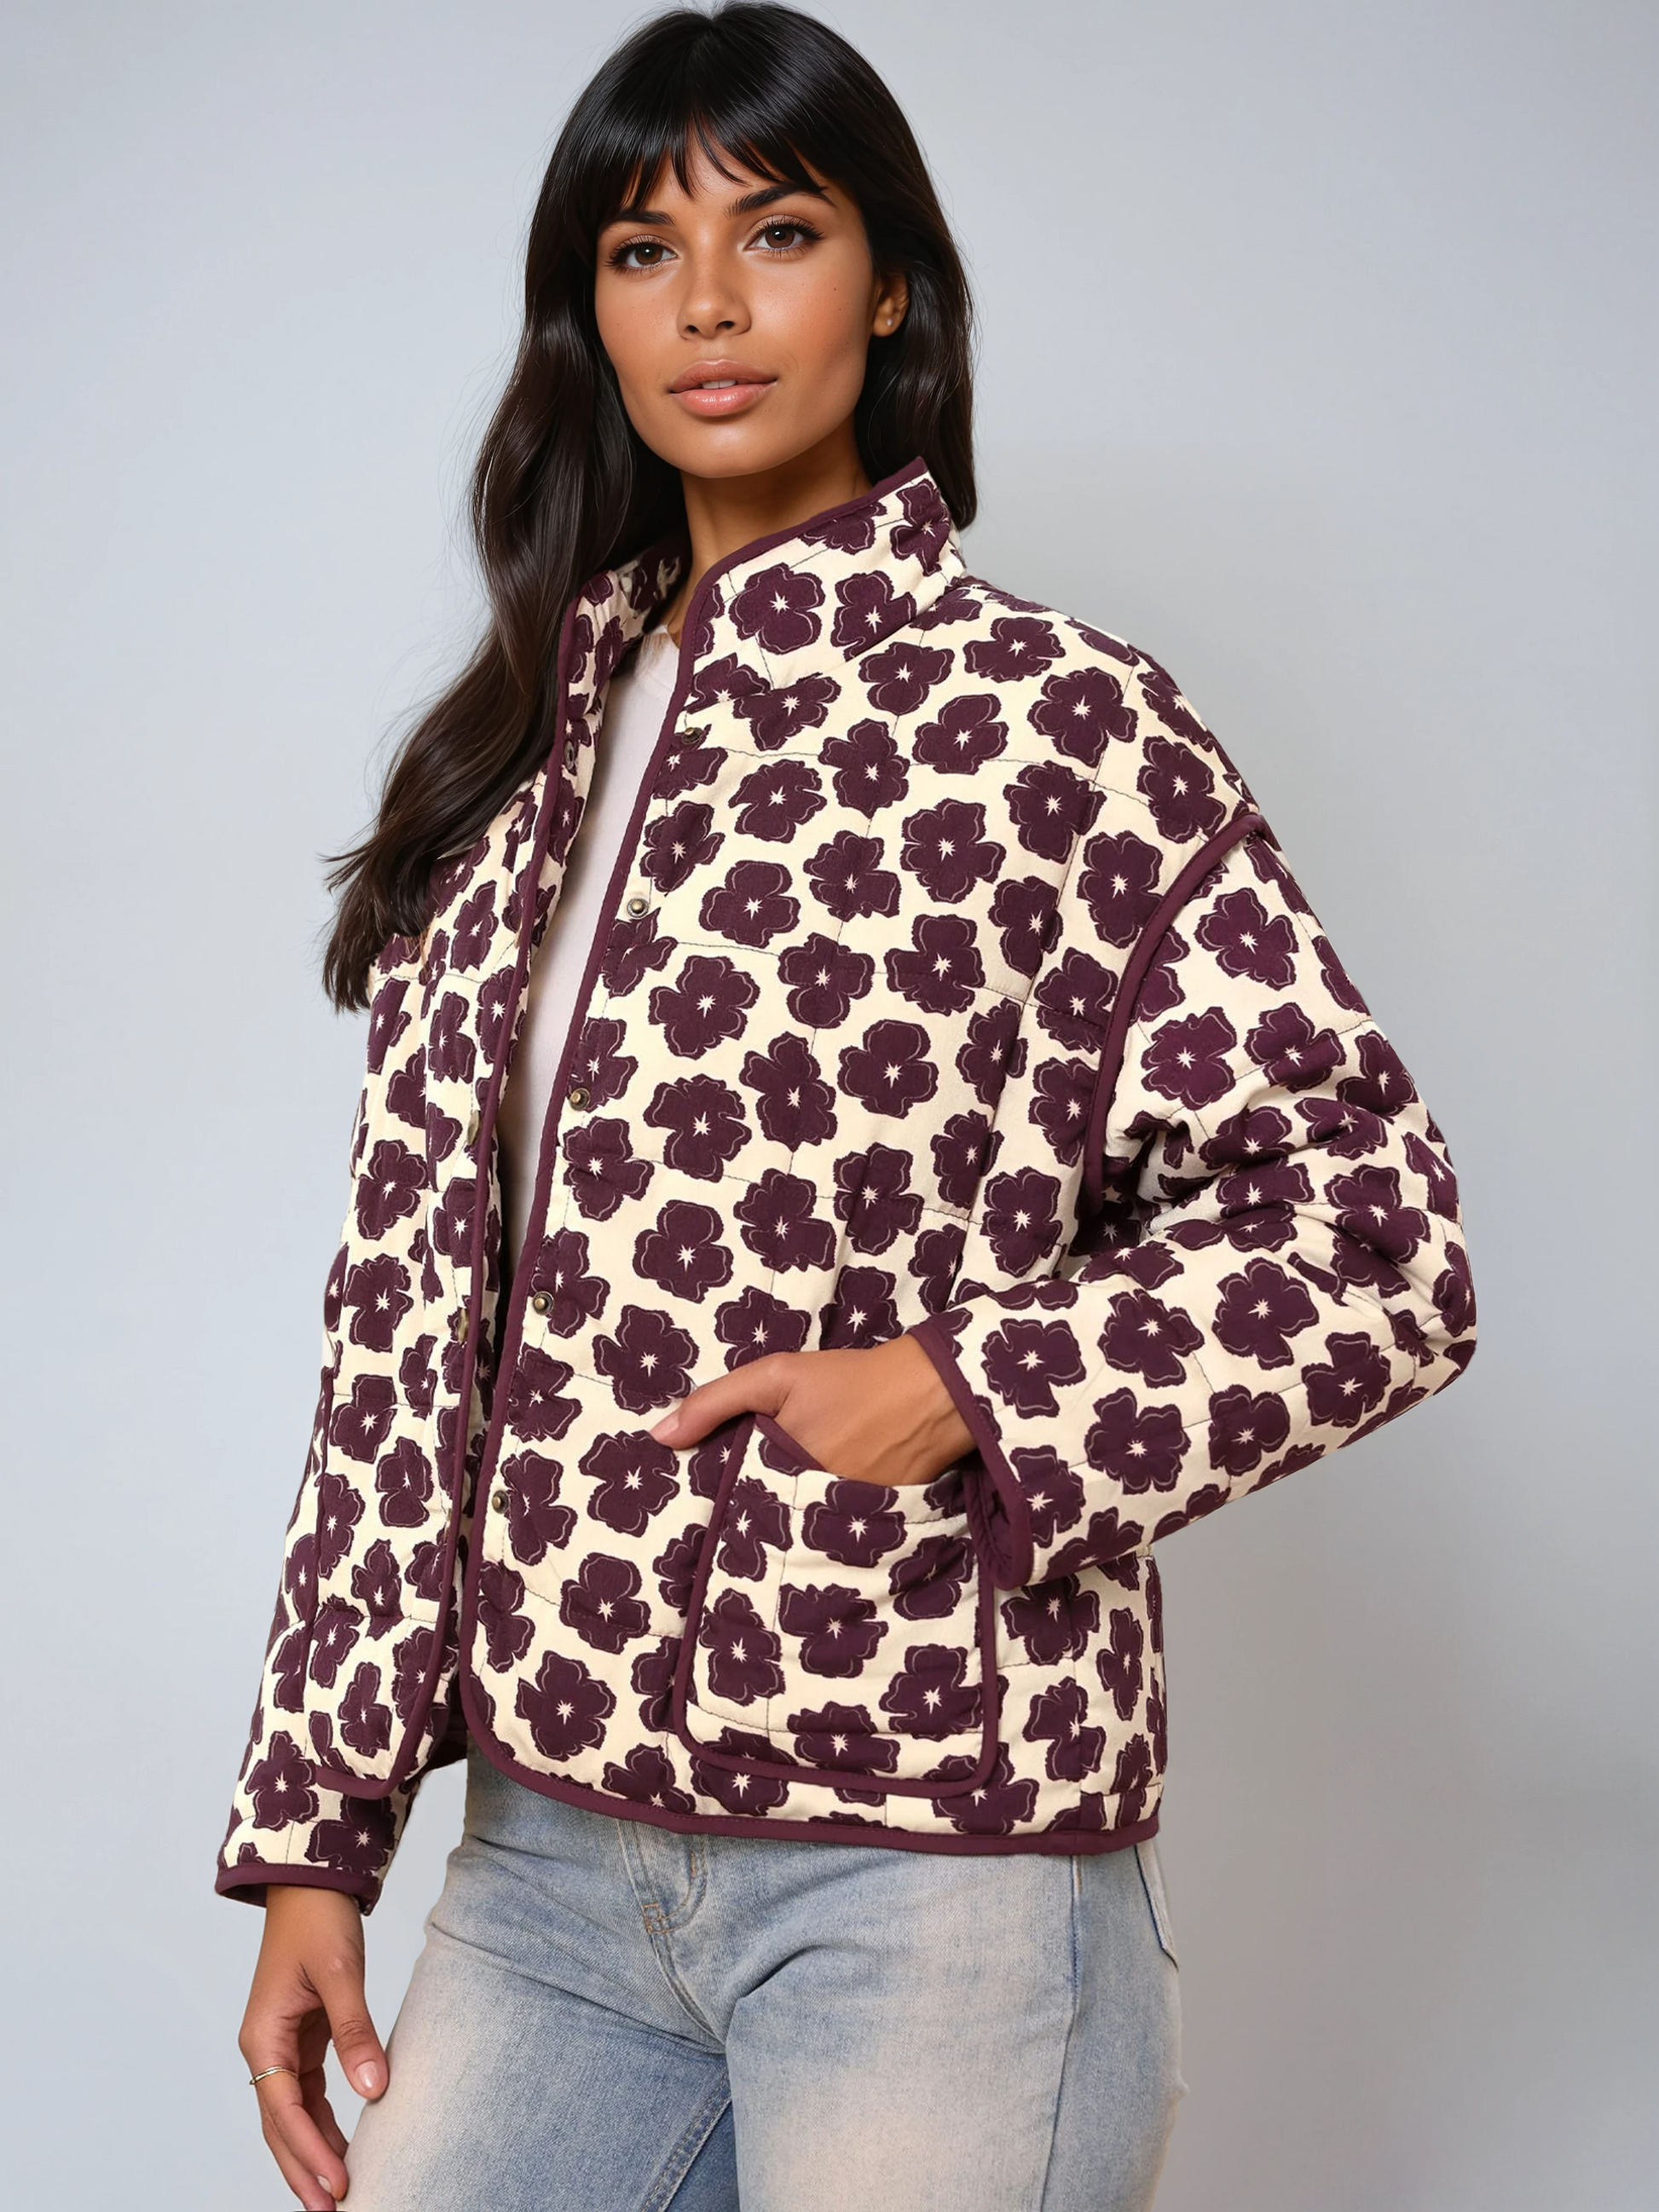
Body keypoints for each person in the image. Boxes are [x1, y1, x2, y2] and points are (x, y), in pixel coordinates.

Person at [222, 7, 1477, 2207]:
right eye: (642, 248)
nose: (708, 304)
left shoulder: (1061, 731)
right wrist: (320, 1830)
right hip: (547, 1858)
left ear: (890, 284)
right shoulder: (511, 761)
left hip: (938, 1873)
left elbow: (1375, 1246)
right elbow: (410, 1329)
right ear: (588, 313)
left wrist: (974, 1385)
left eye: (777, 232)